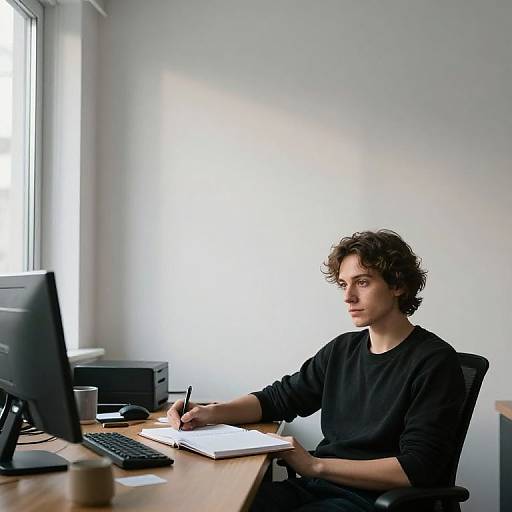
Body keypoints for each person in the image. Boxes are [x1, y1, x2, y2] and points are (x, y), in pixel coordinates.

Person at [167, 230, 465, 512]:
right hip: (319, 487)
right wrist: (207, 412)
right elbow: (278, 399)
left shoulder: (434, 362)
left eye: (362, 282)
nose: (348, 297)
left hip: (372, 500)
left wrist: (313, 465)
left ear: (398, 285)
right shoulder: (342, 350)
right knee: (224, 502)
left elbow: (417, 468)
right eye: (343, 284)